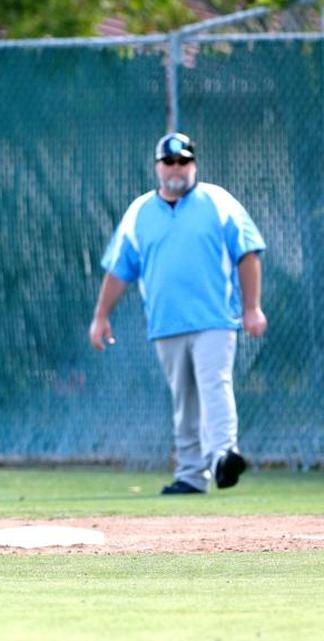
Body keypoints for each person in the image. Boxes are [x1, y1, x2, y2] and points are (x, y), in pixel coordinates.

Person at [89, 132, 267, 495]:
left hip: (214, 319)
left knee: (214, 384)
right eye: (169, 161)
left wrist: (252, 308)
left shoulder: (218, 202)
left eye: (183, 161)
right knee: (184, 398)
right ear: (157, 166)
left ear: (193, 164)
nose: (176, 168)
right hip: (166, 324)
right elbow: (120, 269)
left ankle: (223, 456)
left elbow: (248, 252)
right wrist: (101, 316)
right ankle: (190, 474)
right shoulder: (140, 212)